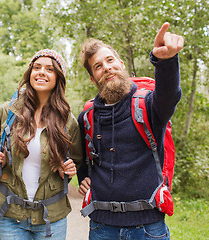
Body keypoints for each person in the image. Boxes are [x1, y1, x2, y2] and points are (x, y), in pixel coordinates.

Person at [77, 22, 184, 240]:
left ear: (122, 64)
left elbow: (169, 96)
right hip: (101, 227)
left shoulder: (148, 105)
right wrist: (82, 177)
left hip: (148, 227)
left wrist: (165, 61)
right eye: (98, 66)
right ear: (93, 78)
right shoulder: (88, 116)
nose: (106, 67)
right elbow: (81, 157)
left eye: (110, 60)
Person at [0, 49, 82, 240]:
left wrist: (68, 170)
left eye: (49, 69)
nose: (41, 72)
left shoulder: (67, 120)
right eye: (36, 67)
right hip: (10, 215)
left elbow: (76, 161)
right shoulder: (6, 112)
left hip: (51, 216)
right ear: (29, 73)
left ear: (58, 78)